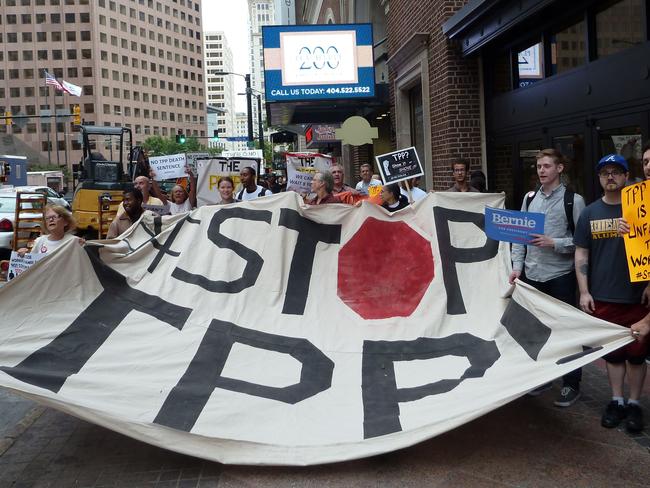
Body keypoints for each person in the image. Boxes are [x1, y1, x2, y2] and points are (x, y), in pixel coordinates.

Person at [574, 153, 649, 433]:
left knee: (637, 355)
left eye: (616, 171)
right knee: (615, 355)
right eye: (605, 172)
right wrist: (584, 291)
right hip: (604, 294)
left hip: (637, 294)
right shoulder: (590, 212)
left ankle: (634, 404)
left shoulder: (643, 208)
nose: (610, 176)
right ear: (599, 178)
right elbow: (581, 252)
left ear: (627, 176)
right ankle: (616, 401)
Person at [508, 148, 586, 406]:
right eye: (538, 166)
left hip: (560, 276)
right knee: (535, 330)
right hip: (532, 275)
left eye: (546, 166)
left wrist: (555, 242)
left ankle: (571, 383)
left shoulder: (574, 200)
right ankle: (543, 376)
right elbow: (519, 238)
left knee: (566, 330)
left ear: (559, 169)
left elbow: (583, 243)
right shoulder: (529, 199)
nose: (541, 170)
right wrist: (517, 267)